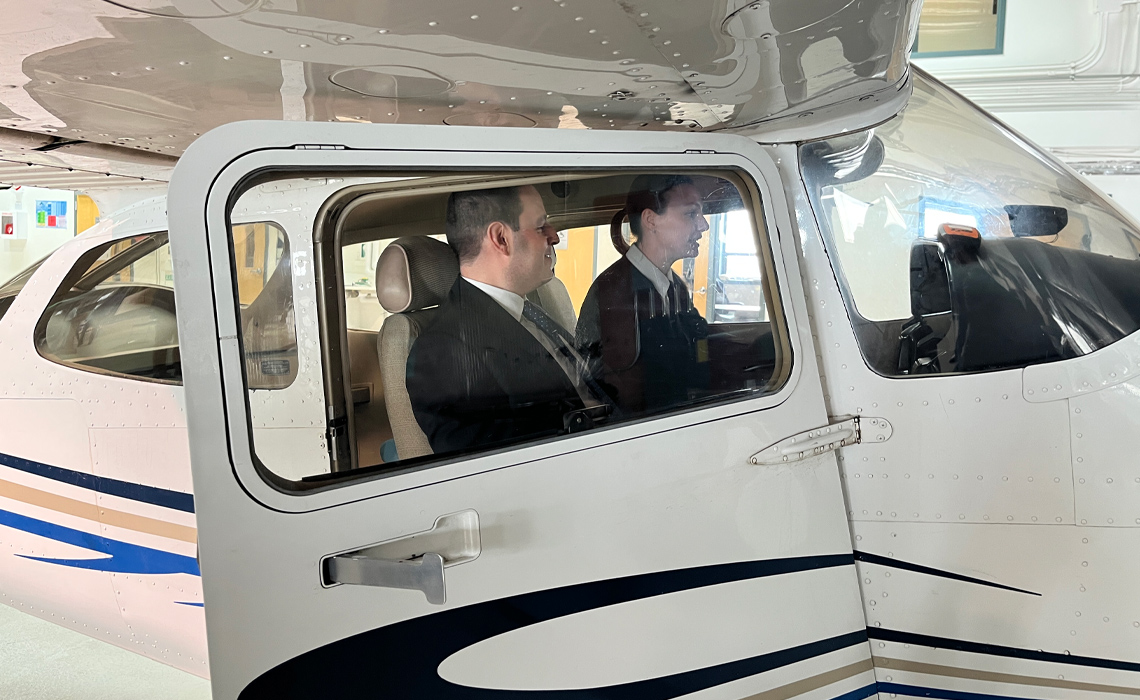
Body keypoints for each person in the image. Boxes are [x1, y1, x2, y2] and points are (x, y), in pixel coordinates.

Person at [406, 185, 604, 455]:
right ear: (501, 238)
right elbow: (497, 477)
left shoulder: (531, 310)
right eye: (540, 226)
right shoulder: (444, 354)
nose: (555, 236)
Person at [576, 174, 711, 415]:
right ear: (651, 220)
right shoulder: (612, 293)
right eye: (691, 214)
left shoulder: (676, 288)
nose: (703, 225)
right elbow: (595, 395)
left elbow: (697, 349)